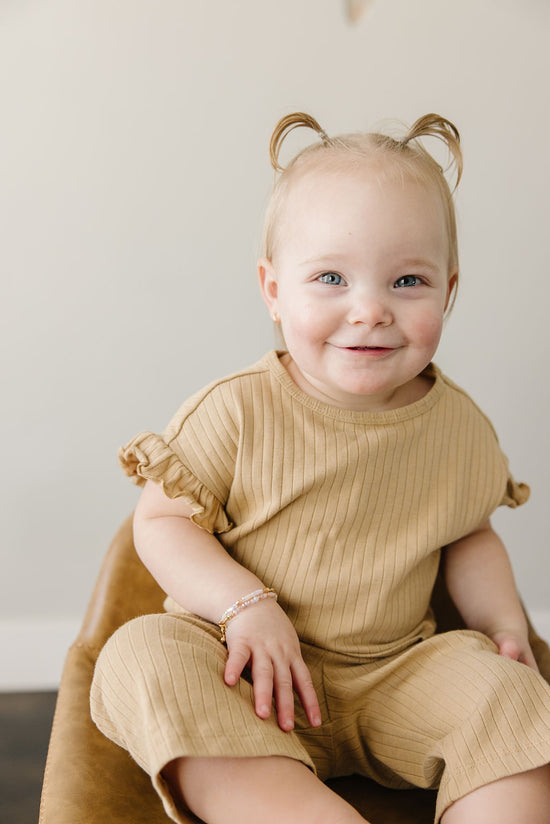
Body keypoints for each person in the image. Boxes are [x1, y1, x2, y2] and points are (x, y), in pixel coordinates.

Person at [91, 111, 550, 824]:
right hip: (242, 666)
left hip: (399, 671)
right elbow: (160, 523)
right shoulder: (236, 410)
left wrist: (502, 622)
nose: (369, 311)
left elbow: (471, 533)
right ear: (274, 290)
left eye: (408, 281)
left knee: (515, 700)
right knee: (140, 654)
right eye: (331, 277)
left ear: (449, 291)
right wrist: (246, 606)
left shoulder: (457, 425)